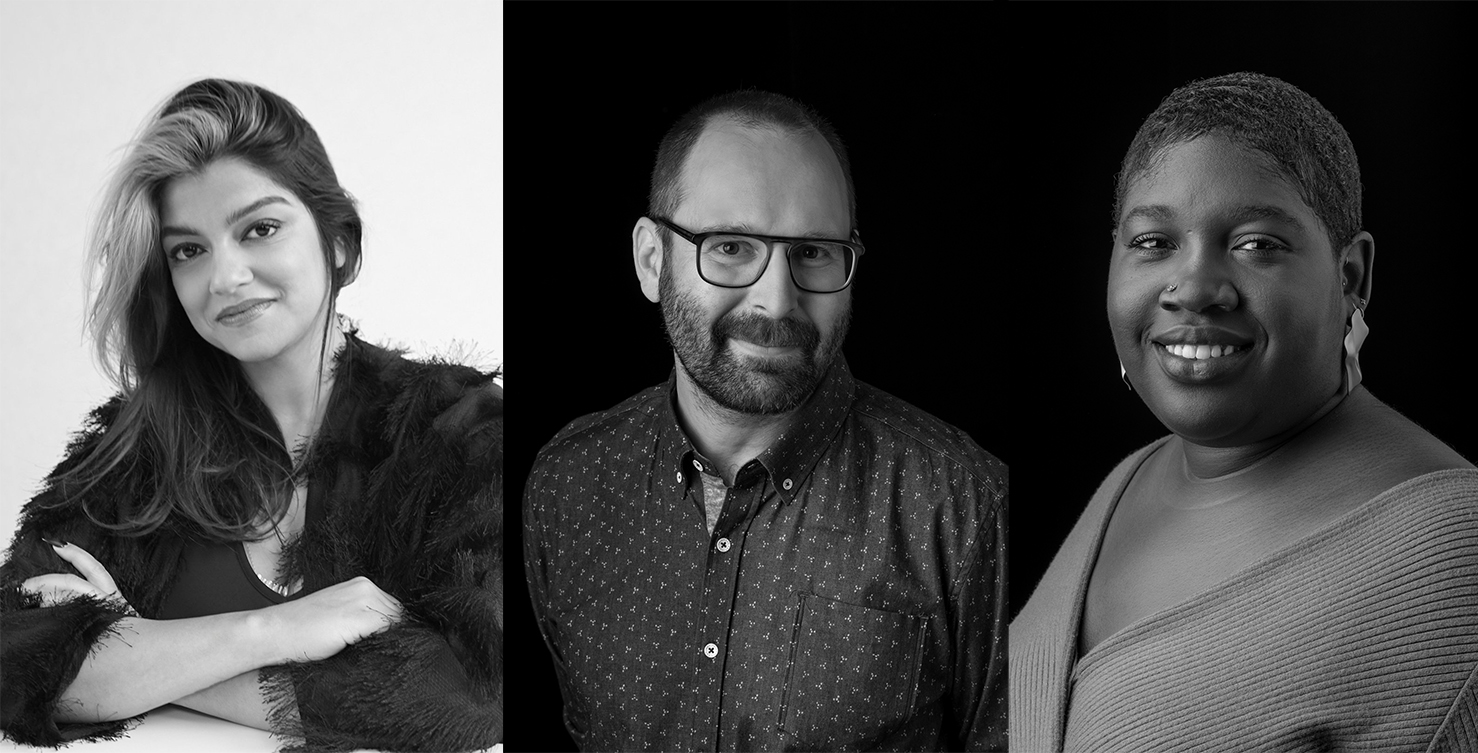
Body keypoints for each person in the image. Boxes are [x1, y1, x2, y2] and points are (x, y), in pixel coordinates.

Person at [0, 79, 502, 751]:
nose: (224, 276)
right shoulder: (135, 451)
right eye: (188, 249)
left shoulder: (460, 432)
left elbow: (472, 692)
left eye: (259, 229)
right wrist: (270, 631)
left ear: (340, 244)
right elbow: (14, 649)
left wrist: (144, 653)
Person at [1010, 72, 1478, 752]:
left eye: (1256, 244)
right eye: (1153, 242)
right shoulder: (1128, 480)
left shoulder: (1462, 554)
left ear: (1351, 275)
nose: (1195, 289)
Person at [521, 89, 1007, 752]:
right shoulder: (566, 485)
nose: (776, 299)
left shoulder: (964, 506)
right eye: (730, 247)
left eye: (812, 252)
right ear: (651, 260)